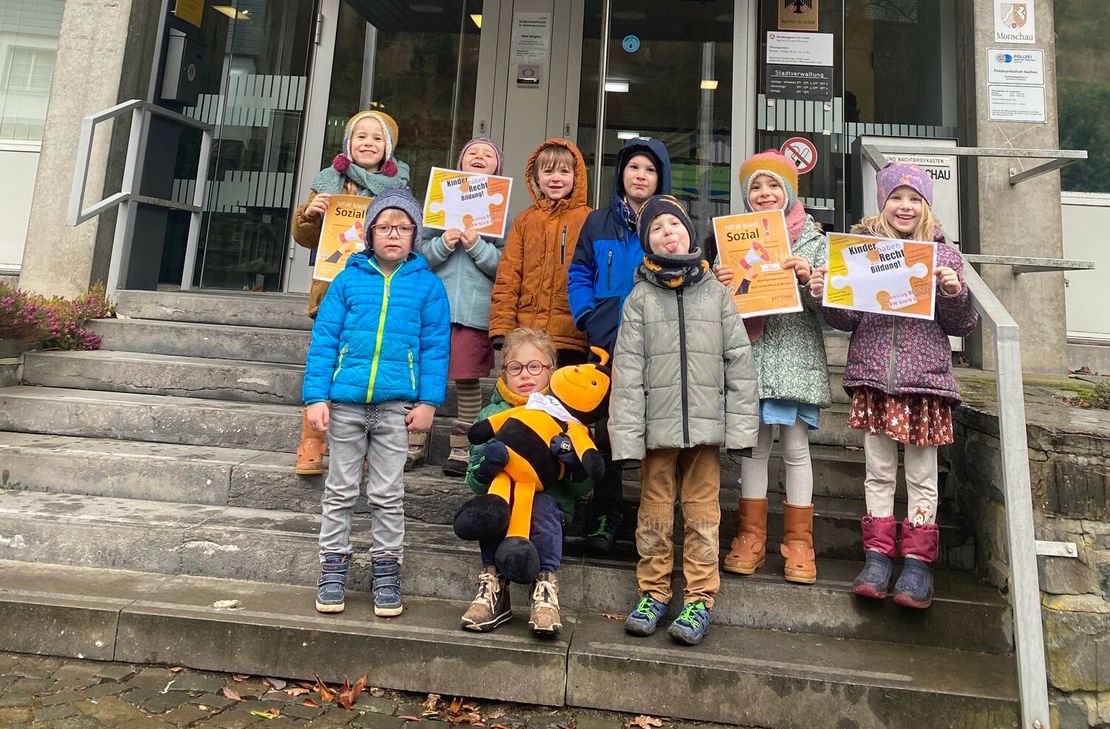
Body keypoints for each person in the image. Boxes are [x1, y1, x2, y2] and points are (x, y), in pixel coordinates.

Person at [808, 162, 978, 609]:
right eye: (895, 198)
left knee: (922, 475)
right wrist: (825, 292)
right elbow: (846, 319)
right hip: (874, 378)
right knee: (878, 471)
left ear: (926, 205)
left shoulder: (944, 257)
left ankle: (918, 567)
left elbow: (964, 324)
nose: (904, 206)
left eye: (914, 198)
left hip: (924, 383)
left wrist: (953, 292)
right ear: (882, 204)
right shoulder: (862, 252)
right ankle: (878, 558)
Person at [609, 195, 759, 645]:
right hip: (657, 430)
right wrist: (628, 439)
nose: (667, 232)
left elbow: (739, 362)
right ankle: (654, 591)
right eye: (656, 229)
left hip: (706, 431)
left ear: (690, 235)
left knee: (702, 514)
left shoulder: (716, 294)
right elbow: (628, 372)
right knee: (653, 513)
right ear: (647, 243)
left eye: (674, 224)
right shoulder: (638, 299)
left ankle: (699, 598)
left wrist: (741, 429)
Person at [302, 188, 450, 618]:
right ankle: (333, 567)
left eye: (403, 228)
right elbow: (324, 340)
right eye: (384, 227)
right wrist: (315, 396)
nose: (393, 234)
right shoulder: (347, 280)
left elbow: (436, 347)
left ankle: (387, 570)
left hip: (395, 409)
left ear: (415, 235)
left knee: (388, 493)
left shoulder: (427, 285)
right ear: (369, 233)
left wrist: (429, 402)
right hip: (346, 405)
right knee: (340, 490)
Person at [715, 150, 832, 585]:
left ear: (790, 191)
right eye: (756, 188)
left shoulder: (816, 241)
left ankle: (800, 541)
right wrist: (721, 283)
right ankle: (750, 535)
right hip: (752, 357)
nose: (764, 194)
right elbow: (719, 307)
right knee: (754, 448)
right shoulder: (734, 240)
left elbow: (835, 313)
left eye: (774, 186)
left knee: (797, 449)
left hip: (796, 357)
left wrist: (811, 282)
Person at [567, 136, 672, 555]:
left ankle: (651, 518)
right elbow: (579, 273)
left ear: (659, 176)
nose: (640, 176)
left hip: (658, 346)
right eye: (633, 168)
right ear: (621, 174)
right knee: (606, 431)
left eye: (649, 169)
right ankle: (607, 512)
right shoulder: (596, 222)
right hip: (607, 343)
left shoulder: (672, 222)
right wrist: (587, 316)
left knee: (654, 433)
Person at [291, 110, 411, 476]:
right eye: (361, 137)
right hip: (331, 289)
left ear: (387, 149)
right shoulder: (327, 182)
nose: (368, 143)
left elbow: (406, 236)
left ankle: (358, 445)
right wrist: (309, 214)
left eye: (377, 138)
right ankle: (311, 442)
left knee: (359, 371)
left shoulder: (399, 190)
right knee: (323, 367)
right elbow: (305, 238)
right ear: (349, 144)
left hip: (376, 294)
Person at [458, 328, 593, 636]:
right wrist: (484, 469)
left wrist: (573, 464)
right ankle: (493, 584)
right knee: (494, 507)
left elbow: (584, 487)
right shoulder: (491, 415)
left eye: (535, 367)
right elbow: (474, 481)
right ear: (504, 372)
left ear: (552, 370)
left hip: (551, 506)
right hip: (504, 497)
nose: (525, 375)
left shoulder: (567, 416)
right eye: (515, 367)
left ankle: (546, 587)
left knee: (542, 506)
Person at [416, 137, 506, 477]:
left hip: (473, 312)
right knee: (423, 375)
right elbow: (419, 254)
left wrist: (476, 246)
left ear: (498, 167)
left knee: (468, 380)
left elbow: (503, 265)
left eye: (488, 154)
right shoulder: (437, 204)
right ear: (459, 162)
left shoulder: (500, 209)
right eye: (473, 153)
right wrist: (443, 242)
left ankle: (463, 449)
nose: (480, 157)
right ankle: (413, 443)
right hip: (433, 308)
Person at [488, 138, 589, 367]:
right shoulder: (524, 220)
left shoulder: (588, 220)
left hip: (572, 337)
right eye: (548, 171)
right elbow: (508, 276)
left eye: (564, 171)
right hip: (528, 334)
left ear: (577, 176)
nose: (555, 178)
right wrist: (502, 327)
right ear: (536, 177)